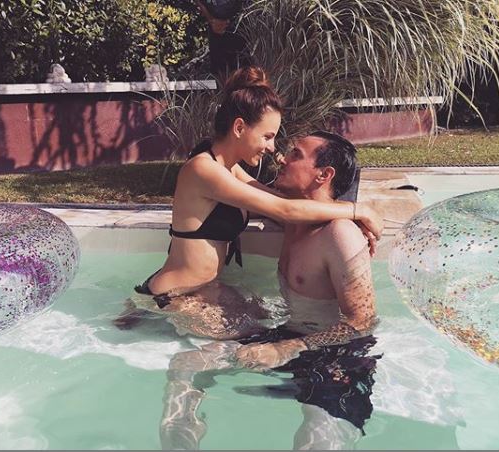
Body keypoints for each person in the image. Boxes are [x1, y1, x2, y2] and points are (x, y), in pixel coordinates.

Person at [116, 66, 382, 340]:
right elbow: (286, 210)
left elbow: (278, 201)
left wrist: (347, 223)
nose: (272, 148)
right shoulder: (203, 169)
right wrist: (358, 210)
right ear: (240, 128)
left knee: (265, 318)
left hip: (204, 288)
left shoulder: (229, 169)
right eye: (267, 136)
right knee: (255, 342)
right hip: (174, 294)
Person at [159, 131, 381, 450]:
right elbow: (227, 174)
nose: (281, 158)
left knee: (317, 435)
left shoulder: (340, 235)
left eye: (295, 154)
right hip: (288, 334)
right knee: (186, 364)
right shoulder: (291, 220)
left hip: (337, 353)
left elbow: (363, 322)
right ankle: (180, 443)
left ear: (324, 174)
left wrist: (291, 348)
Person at [194, 0, 249, 76]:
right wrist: (211, 20)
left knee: (244, 72)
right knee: (221, 72)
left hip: (242, 28)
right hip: (217, 30)